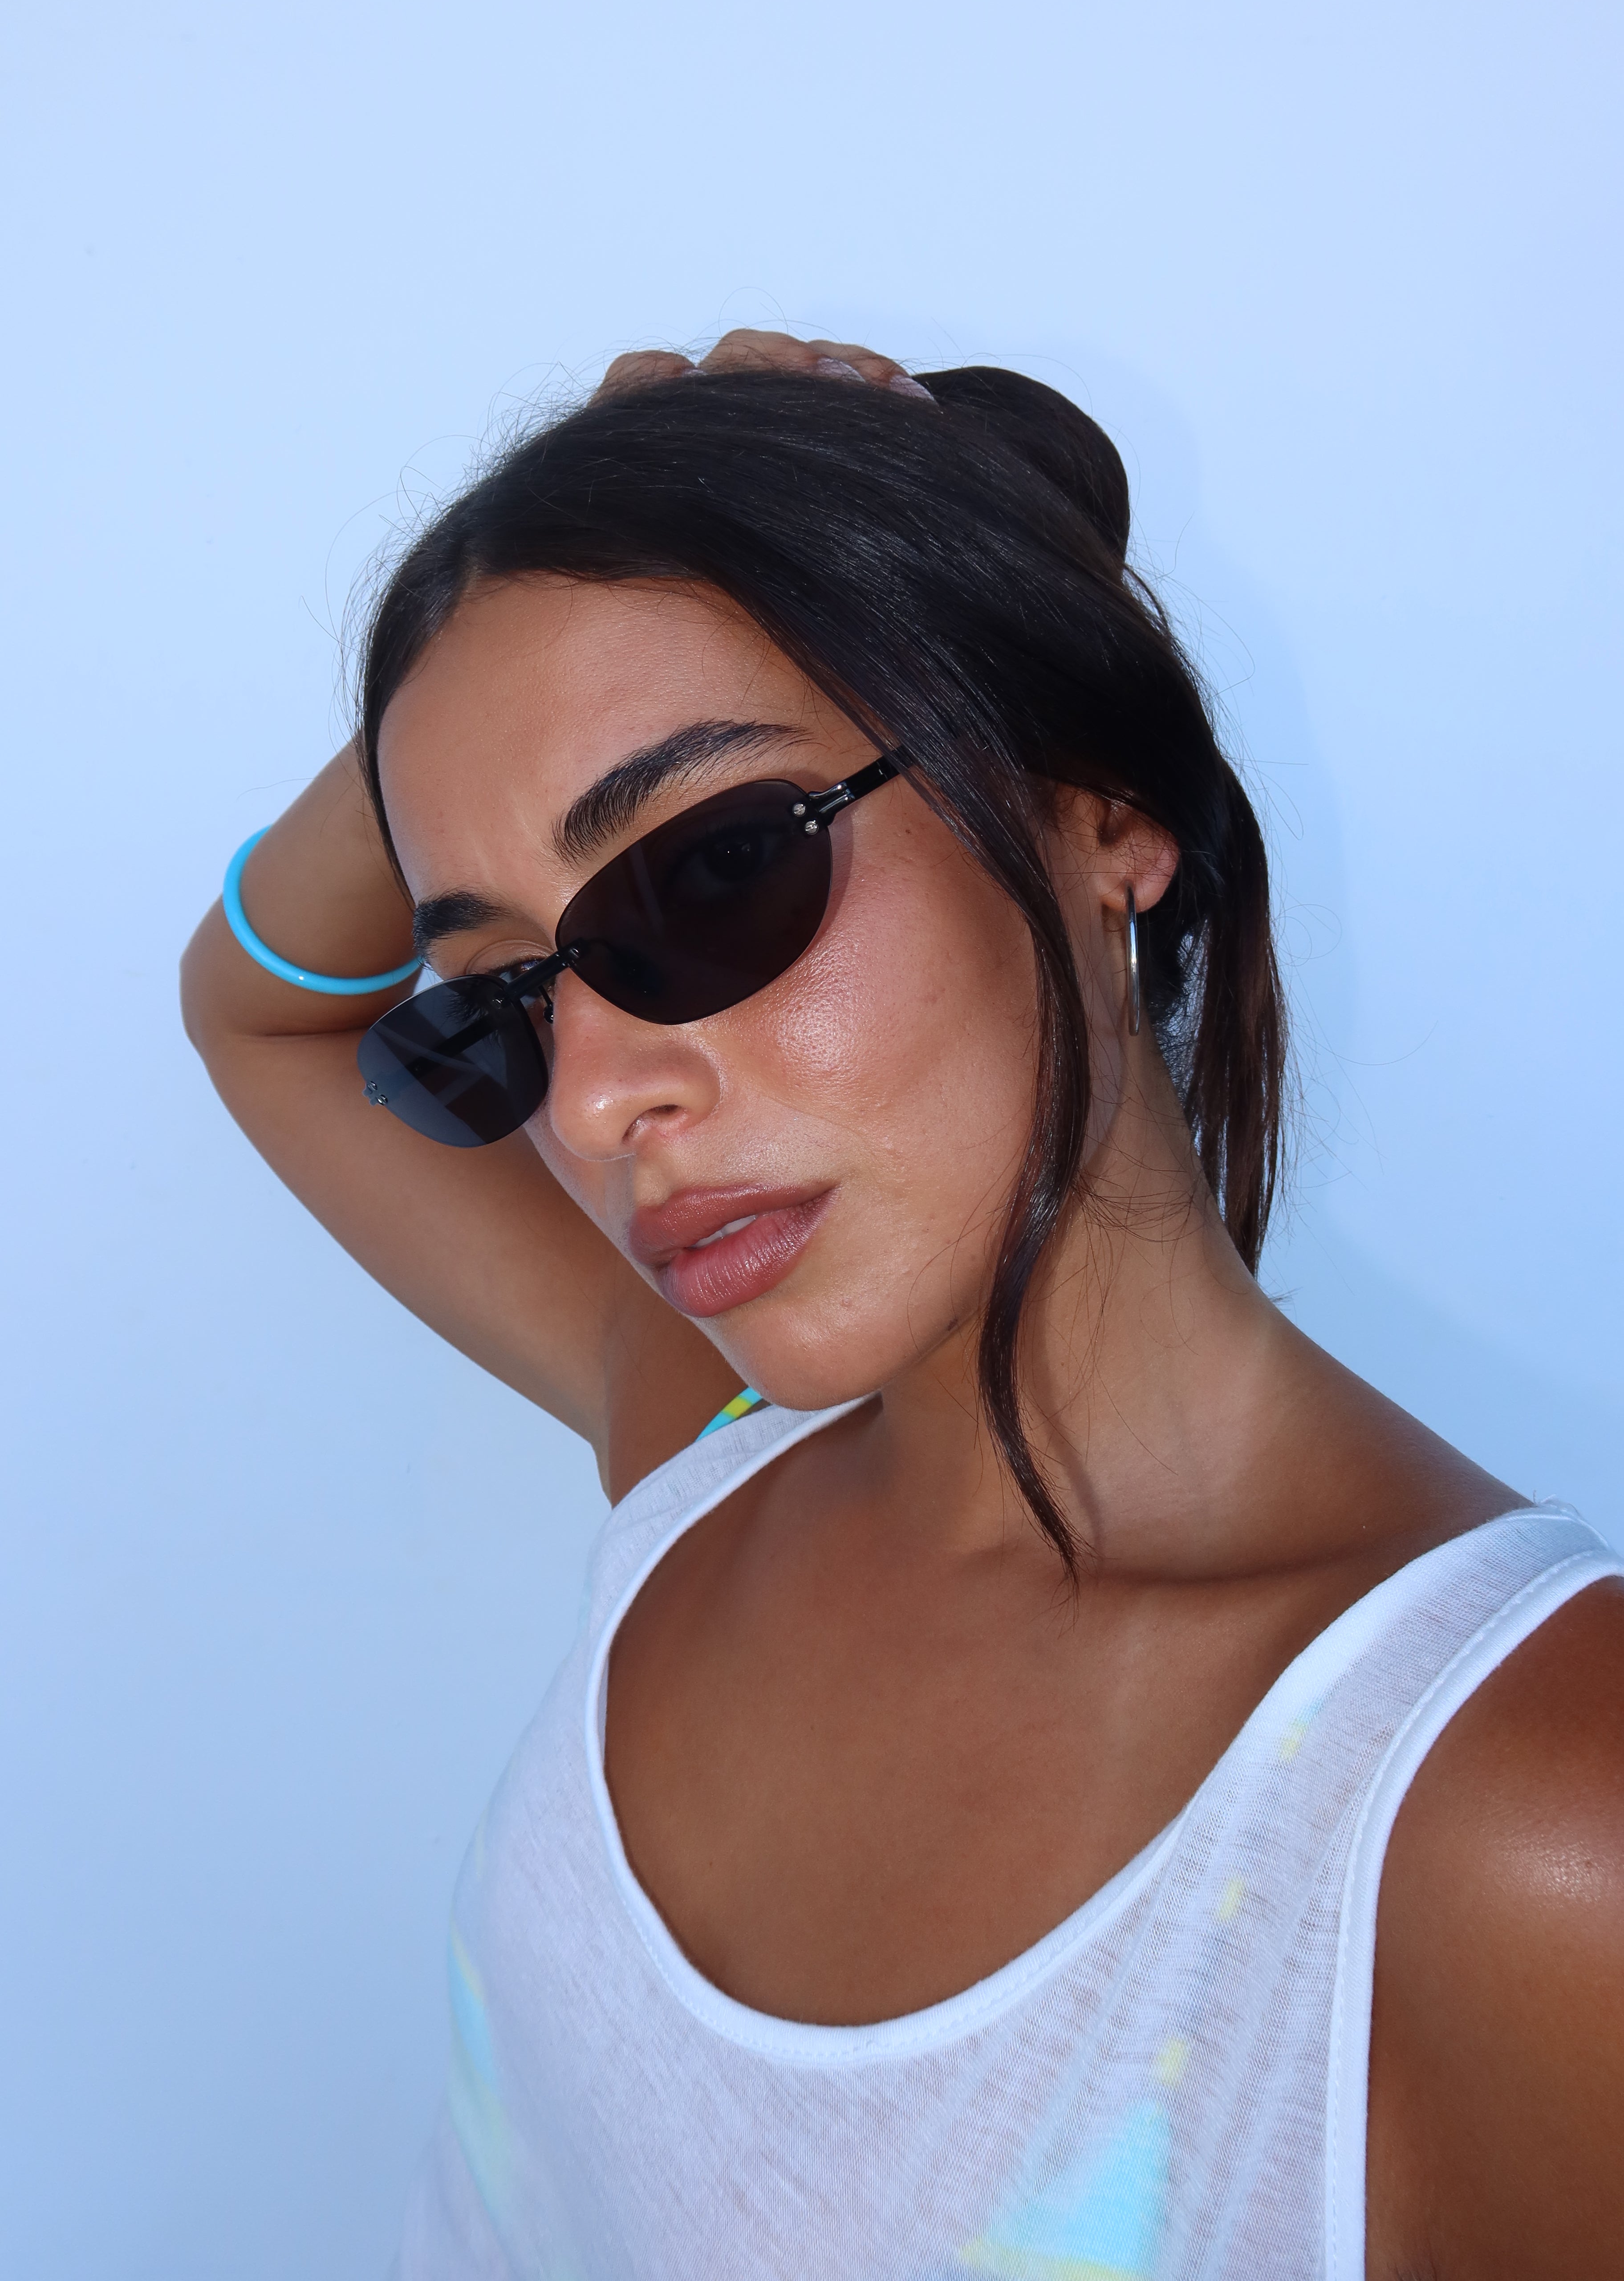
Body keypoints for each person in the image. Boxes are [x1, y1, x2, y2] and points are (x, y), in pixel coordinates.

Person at [182, 333, 1624, 2279]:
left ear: (1102, 808)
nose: (592, 1102)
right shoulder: (713, 1460)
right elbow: (261, 1003)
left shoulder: (1522, 1819)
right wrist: (530, 593)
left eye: (710, 872)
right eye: (500, 999)